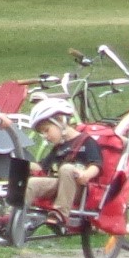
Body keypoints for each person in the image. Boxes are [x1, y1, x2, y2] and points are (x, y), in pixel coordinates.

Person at [22, 96, 105, 224]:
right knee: (31, 183)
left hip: (79, 188)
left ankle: (60, 214)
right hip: (59, 185)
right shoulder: (58, 148)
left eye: (46, 130)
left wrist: (86, 174)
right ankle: (13, 215)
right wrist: (21, 164)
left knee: (67, 168)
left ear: (60, 121)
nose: (45, 136)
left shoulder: (86, 141)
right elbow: (42, 167)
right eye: (42, 133)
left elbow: (96, 165)